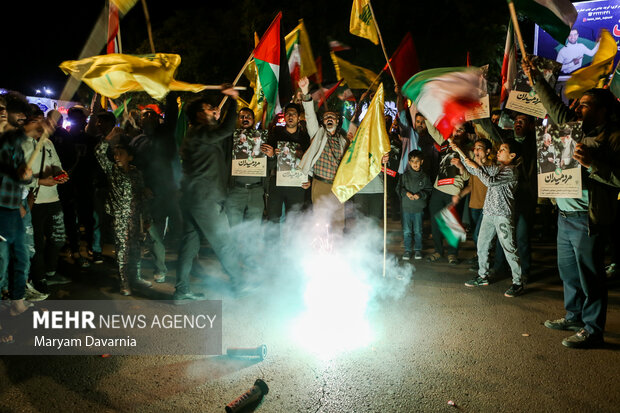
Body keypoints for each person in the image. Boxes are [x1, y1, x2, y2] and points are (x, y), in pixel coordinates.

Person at [525, 60, 620, 348]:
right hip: (564, 216)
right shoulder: (572, 128)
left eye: (586, 105)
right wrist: (535, 80)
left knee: (590, 276)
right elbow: (554, 106)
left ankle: (593, 329)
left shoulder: (614, 137)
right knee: (568, 271)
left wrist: (593, 165)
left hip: (586, 218)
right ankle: (574, 315)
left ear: (604, 110)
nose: (577, 109)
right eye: (577, 105)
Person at [175, 86, 244, 302]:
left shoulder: (196, 134)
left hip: (191, 197)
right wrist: (232, 101)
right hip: (205, 199)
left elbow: (220, 132)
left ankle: (181, 290)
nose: (213, 110)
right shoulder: (200, 132)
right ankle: (240, 283)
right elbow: (226, 130)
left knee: (190, 243)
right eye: (208, 109)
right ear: (198, 114)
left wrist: (217, 116)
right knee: (223, 242)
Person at [456, 139, 525, 297]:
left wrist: (476, 167)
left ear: (512, 155)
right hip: (489, 213)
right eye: (499, 149)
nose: (499, 152)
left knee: (509, 249)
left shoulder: (511, 170)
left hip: (502, 216)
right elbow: (476, 170)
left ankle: (518, 282)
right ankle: (483, 275)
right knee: (482, 245)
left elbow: (490, 181)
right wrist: (459, 152)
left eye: (503, 149)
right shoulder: (498, 167)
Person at [95, 129, 152, 296]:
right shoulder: (112, 171)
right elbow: (98, 152)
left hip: (135, 217)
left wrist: (147, 215)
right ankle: (124, 282)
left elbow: (141, 194)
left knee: (136, 248)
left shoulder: (136, 173)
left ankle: (136, 277)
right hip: (120, 217)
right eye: (115, 153)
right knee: (122, 250)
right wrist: (109, 137)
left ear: (130, 157)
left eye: (121, 153)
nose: (117, 156)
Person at [130, 97, 179, 284]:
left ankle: (161, 269)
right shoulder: (136, 141)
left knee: (157, 233)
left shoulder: (165, 135)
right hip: (143, 195)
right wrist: (142, 188)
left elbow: (172, 113)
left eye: (152, 114)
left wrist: (169, 89)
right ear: (140, 121)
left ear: (158, 119)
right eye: (144, 115)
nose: (147, 117)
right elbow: (133, 168)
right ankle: (137, 270)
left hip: (164, 195)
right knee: (143, 234)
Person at [298, 77, 349, 235]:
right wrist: (306, 91)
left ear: (337, 121)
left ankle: (337, 251)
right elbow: (310, 115)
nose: (328, 119)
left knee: (338, 222)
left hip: (338, 186)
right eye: (326, 117)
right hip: (320, 183)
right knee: (321, 222)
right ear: (323, 122)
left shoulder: (343, 140)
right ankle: (320, 254)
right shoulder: (317, 134)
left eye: (331, 117)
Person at [426, 125, 470, 264]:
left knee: (453, 224)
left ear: (465, 133)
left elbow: (470, 177)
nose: (457, 132)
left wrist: (461, 167)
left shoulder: (469, 150)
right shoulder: (445, 142)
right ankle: (438, 251)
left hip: (454, 193)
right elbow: (431, 129)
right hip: (438, 189)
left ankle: (453, 253)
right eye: (455, 129)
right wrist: (425, 106)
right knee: (435, 223)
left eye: (461, 130)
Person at [264, 101, 310, 229]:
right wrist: (272, 155)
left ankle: (292, 247)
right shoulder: (274, 135)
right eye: (288, 114)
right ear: (284, 116)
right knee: (272, 219)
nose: (290, 116)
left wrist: (309, 179)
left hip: (296, 184)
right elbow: (267, 162)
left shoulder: (305, 138)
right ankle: (272, 247)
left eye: (294, 114)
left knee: (295, 220)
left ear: (298, 117)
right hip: (277, 182)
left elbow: (310, 161)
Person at [225, 108, 269, 227]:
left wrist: (272, 155)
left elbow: (270, 165)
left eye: (248, 116)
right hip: (236, 190)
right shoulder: (230, 139)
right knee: (233, 229)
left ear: (254, 120)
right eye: (242, 117)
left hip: (256, 191)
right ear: (238, 120)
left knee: (253, 232)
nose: (245, 119)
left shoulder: (263, 139)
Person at [455, 137, 492, 269]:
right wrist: (460, 195)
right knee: (479, 236)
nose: (476, 151)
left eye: (479, 148)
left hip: (486, 208)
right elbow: (471, 185)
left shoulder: (492, 167)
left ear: (488, 151)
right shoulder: (473, 168)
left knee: (478, 236)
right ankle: (480, 257)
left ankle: (483, 263)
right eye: (475, 148)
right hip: (474, 206)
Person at [397, 150, 432, 260]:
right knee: (407, 230)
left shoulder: (425, 177)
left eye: (417, 161)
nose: (415, 163)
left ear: (421, 162)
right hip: (406, 207)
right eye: (412, 161)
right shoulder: (404, 176)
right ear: (409, 162)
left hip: (418, 208)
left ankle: (418, 250)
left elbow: (429, 189)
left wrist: (420, 194)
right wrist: (405, 193)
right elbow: (398, 188)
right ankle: (407, 250)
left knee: (418, 230)